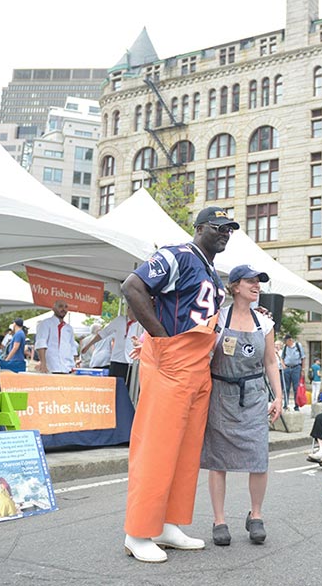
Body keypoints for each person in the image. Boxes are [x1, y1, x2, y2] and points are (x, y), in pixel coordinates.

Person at [120, 206, 235, 563]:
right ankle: (137, 531)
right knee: (157, 447)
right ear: (199, 228)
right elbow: (132, 286)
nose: (226, 233)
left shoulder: (210, 270)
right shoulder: (177, 254)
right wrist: (162, 338)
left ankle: (168, 523)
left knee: (185, 452)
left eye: (230, 228)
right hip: (173, 359)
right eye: (219, 227)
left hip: (198, 364)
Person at [200, 265, 283, 547]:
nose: (256, 285)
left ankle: (256, 515)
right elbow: (202, 354)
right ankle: (219, 519)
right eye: (250, 281)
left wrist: (279, 396)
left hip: (254, 395)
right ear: (235, 287)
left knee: (259, 458)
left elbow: (271, 362)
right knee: (217, 460)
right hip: (221, 394)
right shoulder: (218, 319)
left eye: (258, 282)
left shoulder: (265, 324)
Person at [35, 300, 77, 374]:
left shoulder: (69, 328)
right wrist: (43, 363)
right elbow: (41, 344)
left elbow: (72, 347)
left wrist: (74, 364)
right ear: (53, 308)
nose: (63, 309)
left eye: (66, 307)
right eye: (60, 306)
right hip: (51, 367)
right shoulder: (45, 324)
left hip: (67, 367)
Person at [280, 335, 305, 411]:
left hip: (296, 368)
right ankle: (285, 404)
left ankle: (296, 405)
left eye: (286, 341)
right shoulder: (285, 347)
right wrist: (284, 366)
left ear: (290, 340)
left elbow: (303, 357)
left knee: (296, 387)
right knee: (286, 387)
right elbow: (282, 358)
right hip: (287, 368)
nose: (285, 343)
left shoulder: (298, 346)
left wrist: (303, 369)